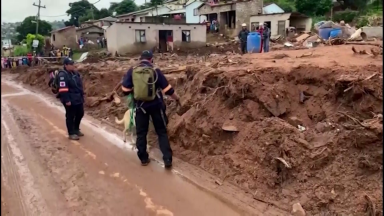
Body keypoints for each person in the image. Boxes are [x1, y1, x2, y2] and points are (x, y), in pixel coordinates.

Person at [121, 50, 181, 168]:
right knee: (161, 132)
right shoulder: (155, 70)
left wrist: (136, 92)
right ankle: (167, 159)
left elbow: (125, 90)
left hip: (140, 107)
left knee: (141, 133)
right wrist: (176, 98)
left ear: (140, 59)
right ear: (151, 59)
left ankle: (143, 158)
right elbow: (168, 89)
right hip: (156, 106)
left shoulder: (132, 71)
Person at [56, 58, 85, 140]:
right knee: (70, 116)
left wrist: (82, 95)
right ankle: (71, 133)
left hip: (77, 98)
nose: (73, 65)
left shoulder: (75, 73)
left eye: (73, 63)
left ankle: (76, 129)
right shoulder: (62, 75)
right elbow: (62, 90)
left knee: (80, 113)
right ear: (66, 65)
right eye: (71, 64)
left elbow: (79, 85)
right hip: (69, 99)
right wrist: (67, 100)